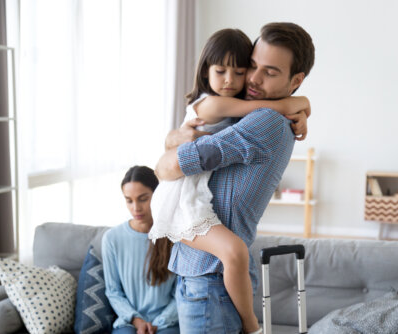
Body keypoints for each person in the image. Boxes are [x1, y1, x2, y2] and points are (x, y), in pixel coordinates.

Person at [155, 22, 315, 334]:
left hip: (210, 282)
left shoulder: (266, 121)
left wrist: (165, 157)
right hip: (205, 278)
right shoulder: (248, 111)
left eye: (269, 72)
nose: (252, 79)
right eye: (252, 66)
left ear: (296, 80)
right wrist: (303, 104)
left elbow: (170, 167)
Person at [102, 166, 179, 334]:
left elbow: (181, 291)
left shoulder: (175, 236)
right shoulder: (112, 239)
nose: (135, 208)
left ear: (157, 195)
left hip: (167, 324)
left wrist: (159, 323)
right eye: (129, 200)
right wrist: (137, 321)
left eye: (143, 199)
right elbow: (113, 291)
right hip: (129, 323)